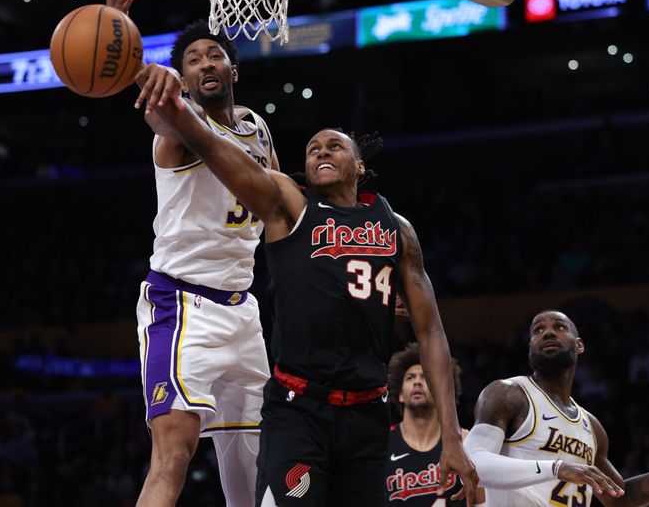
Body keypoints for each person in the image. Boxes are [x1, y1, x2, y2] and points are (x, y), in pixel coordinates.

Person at [132, 64, 480, 506]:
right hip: (300, 408)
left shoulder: (397, 229)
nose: (321, 151)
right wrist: (158, 83)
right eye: (313, 148)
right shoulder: (287, 205)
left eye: (334, 145)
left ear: (359, 165)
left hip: (367, 411)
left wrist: (451, 437)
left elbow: (430, 332)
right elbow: (207, 143)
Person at [105, 0, 278, 507]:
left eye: (214, 55)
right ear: (181, 77)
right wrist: (129, 54)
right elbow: (163, 111)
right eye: (194, 60)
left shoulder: (255, 128)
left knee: (256, 460)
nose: (206, 63)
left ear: (233, 67)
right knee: (174, 455)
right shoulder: (178, 129)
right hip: (183, 307)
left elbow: (274, 203)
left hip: (244, 312)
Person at [464, 310, 649, 506]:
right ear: (530, 349)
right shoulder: (508, 394)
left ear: (580, 345)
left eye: (558, 327)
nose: (547, 332)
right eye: (538, 330)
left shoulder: (591, 427)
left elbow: (622, 498)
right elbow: (475, 464)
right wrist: (557, 468)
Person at [386, 343, 486, 505]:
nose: (417, 382)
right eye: (410, 377)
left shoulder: (466, 441)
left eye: (425, 377)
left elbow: (482, 503)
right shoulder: (382, 444)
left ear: (440, 392)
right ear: (400, 394)